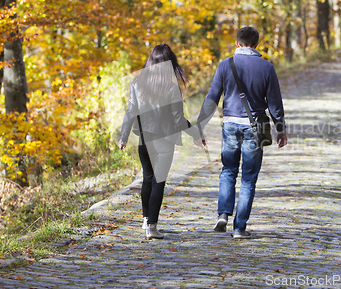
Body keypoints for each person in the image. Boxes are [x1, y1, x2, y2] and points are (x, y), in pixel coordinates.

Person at [197, 26, 288, 239]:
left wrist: (200, 125)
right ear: (256, 44)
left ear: (237, 43)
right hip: (255, 127)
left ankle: (222, 215)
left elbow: (212, 97)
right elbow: (274, 103)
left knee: (228, 170)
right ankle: (239, 228)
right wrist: (281, 129)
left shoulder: (225, 65)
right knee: (248, 178)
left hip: (229, 125)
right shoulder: (266, 67)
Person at [118, 44, 204, 239]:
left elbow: (131, 111)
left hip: (144, 140)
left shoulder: (137, 84)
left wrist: (123, 137)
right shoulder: (171, 88)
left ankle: (145, 219)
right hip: (164, 141)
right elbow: (178, 119)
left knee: (147, 179)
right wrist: (196, 134)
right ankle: (152, 227)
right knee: (158, 182)